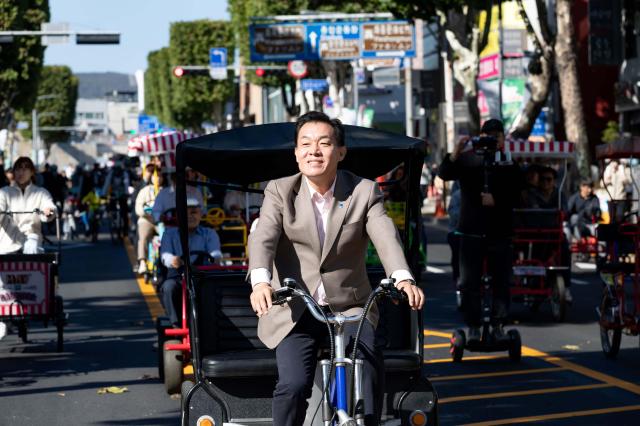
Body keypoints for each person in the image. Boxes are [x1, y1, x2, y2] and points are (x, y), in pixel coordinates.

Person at [248, 111, 424, 426]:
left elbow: (386, 237)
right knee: (293, 385)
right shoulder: (279, 191)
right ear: (296, 153)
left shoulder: (364, 191)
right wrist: (261, 282)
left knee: (368, 367)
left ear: (340, 152)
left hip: (350, 306)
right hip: (296, 309)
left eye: (324, 143)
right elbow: (264, 239)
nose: (314, 151)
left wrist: (403, 278)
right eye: (305, 144)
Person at [438, 119, 523, 343]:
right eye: (488, 135)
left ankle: (498, 324)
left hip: (500, 232)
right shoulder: (467, 160)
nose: (493, 140)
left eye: (498, 136)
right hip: (471, 232)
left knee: (502, 282)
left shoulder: (508, 163)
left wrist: (498, 200)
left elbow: (519, 193)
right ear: (480, 137)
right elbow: (444, 173)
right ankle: (473, 325)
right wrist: (455, 152)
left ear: (504, 139)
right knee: (469, 283)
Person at [159, 196, 222, 327]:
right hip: (178, 276)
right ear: (178, 215)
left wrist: (215, 258)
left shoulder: (209, 233)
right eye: (185, 213)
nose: (190, 216)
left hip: (202, 276)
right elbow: (165, 255)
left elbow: (215, 253)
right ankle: (175, 324)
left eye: (193, 212)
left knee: (217, 287)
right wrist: (173, 260)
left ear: (200, 214)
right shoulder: (169, 234)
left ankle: (215, 322)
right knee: (168, 287)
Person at [0, 157, 57, 255]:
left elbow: (50, 207)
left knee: (32, 251)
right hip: (7, 245)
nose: (21, 173)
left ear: (32, 172)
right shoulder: (4, 192)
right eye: (18, 169)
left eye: (25, 169)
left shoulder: (41, 193)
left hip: (32, 242)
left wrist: (49, 211)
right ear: (14, 172)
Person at [135, 166, 162, 274]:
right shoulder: (144, 191)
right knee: (143, 238)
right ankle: (142, 262)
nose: (158, 179)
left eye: (160, 176)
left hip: (161, 220)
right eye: (156, 176)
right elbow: (138, 208)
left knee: (169, 236)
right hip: (147, 220)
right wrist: (147, 213)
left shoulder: (165, 192)